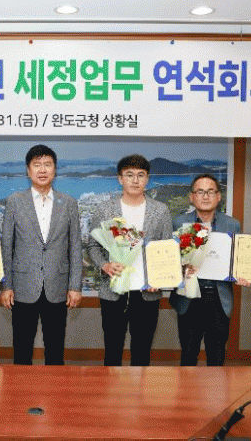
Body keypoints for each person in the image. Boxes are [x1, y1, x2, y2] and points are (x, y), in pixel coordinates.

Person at [87, 154, 172, 366]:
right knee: (112, 351)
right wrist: (104, 265)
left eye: (141, 175)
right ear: (120, 179)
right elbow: (92, 246)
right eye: (129, 175)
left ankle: (139, 389)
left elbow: (166, 249)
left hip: (147, 292)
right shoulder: (105, 209)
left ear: (147, 179)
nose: (135, 180)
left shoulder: (160, 210)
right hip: (113, 291)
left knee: (142, 353)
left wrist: (159, 279)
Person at [0, 144, 82, 366]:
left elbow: (75, 246)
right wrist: (6, 285)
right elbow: (7, 246)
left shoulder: (69, 203)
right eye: (37, 165)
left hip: (58, 286)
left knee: (55, 352)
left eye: (47, 164)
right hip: (23, 286)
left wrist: (75, 286)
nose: (42, 170)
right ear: (28, 171)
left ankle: (55, 389)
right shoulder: (15, 201)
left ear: (55, 169)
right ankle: (20, 388)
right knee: (22, 351)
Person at [170, 174, 242, 366]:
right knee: (188, 354)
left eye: (211, 191)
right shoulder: (178, 223)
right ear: (192, 197)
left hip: (219, 296)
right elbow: (169, 259)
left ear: (218, 197)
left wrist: (242, 272)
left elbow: (238, 259)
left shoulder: (232, 224)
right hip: (188, 297)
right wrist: (181, 268)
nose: (205, 196)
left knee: (217, 355)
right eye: (200, 191)